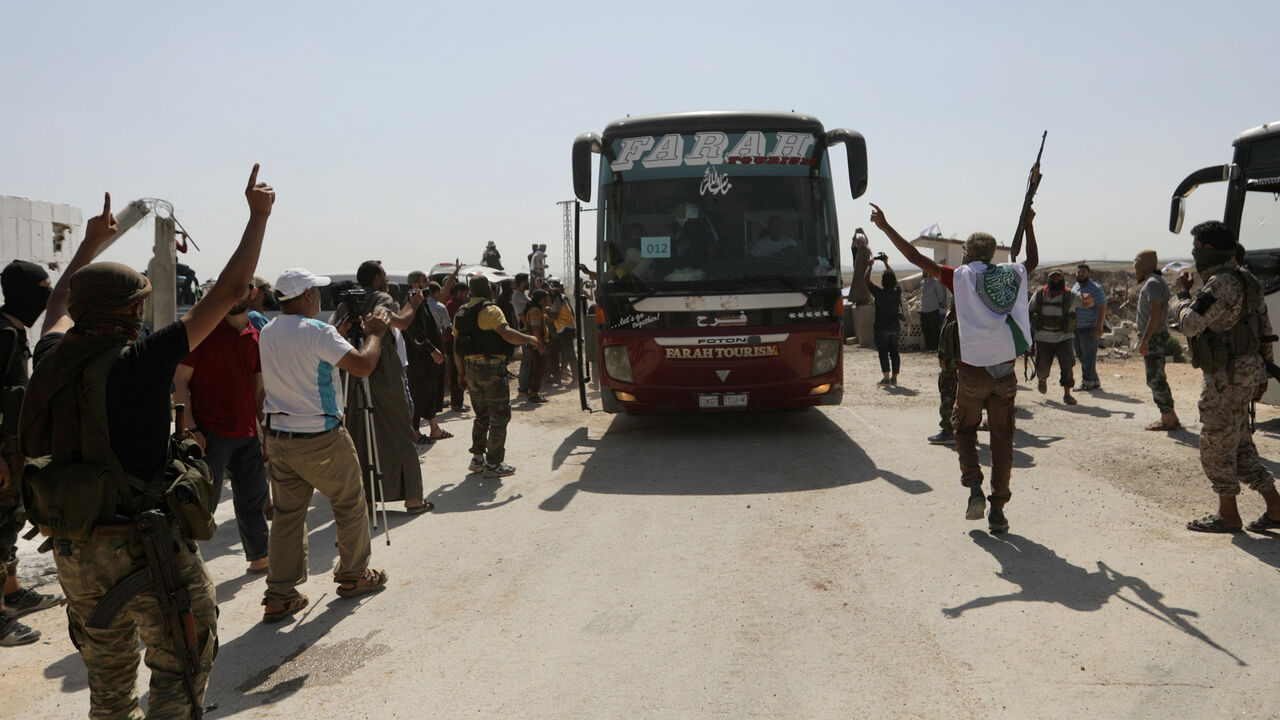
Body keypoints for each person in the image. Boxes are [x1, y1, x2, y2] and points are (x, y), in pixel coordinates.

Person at [21, 165, 273, 717]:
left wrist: (89, 244)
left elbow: (59, 304)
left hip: (73, 547)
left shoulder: (53, 356)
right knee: (183, 664)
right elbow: (231, 291)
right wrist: (258, 218)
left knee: (108, 682)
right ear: (133, 311)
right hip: (142, 545)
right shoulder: (141, 361)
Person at [869, 202, 1038, 535]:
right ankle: (998, 510)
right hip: (1005, 370)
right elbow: (1030, 262)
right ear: (991, 254)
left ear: (967, 253)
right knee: (1003, 440)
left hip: (971, 371)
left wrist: (886, 228)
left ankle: (974, 486)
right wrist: (1029, 225)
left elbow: (918, 260)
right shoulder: (1010, 273)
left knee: (963, 429)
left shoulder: (959, 278)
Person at [258, 267, 390, 622]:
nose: (319, 297)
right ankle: (354, 575)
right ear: (304, 296)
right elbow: (362, 366)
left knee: (287, 517)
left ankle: (280, 595)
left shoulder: (268, 332)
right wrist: (374, 334)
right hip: (321, 437)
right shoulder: (319, 332)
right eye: (314, 292)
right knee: (349, 502)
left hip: (280, 435)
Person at [1174, 221, 1280, 533]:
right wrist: (1263, 374)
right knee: (1240, 444)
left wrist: (1180, 297)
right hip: (1246, 374)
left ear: (1207, 248)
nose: (1193, 251)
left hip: (1225, 378)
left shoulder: (1220, 283)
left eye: (1196, 245)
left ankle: (1227, 515)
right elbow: (1265, 332)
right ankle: (1275, 508)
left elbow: (1191, 324)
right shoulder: (1249, 280)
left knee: (1216, 444)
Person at [172, 282, 271, 573]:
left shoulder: (255, 336)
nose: (237, 294)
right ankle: (180, 568)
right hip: (210, 435)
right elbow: (180, 383)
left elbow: (258, 391)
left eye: (243, 288)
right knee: (201, 506)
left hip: (247, 434)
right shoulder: (203, 334)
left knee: (253, 498)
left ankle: (260, 558)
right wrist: (191, 430)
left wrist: (262, 432)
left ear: (253, 292)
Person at [0, 260, 64, 646]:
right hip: (2, 455)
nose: (46, 295)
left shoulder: (14, 331)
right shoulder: (3, 334)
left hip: (14, 452)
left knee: (10, 521)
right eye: (43, 288)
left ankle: (12, 591)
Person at [339, 261, 430, 514]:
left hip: (354, 367)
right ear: (377, 279)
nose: (387, 277)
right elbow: (399, 322)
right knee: (401, 429)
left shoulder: (346, 302)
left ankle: (365, 499)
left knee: (359, 433)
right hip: (382, 370)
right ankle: (413, 498)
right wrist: (413, 304)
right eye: (384, 273)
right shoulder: (382, 297)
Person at [453, 275, 541, 477]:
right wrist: (529, 339)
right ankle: (493, 464)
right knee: (499, 416)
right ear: (488, 290)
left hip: (470, 369)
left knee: (481, 415)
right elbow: (507, 334)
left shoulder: (461, 312)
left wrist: (460, 373)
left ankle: (477, 460)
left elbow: (456, 347)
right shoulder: (491, 310)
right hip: (490, 369)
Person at [1135, 250, 1181, 431]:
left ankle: (1167, 419)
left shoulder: (1153, 283)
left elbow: (1156, 314)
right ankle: (1171, 417)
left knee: (1155, 379)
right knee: (1158, 377)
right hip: (1156, 335)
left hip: (1154, 337)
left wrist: (1145, 339)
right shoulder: (1156, 281)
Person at [404, 271, 450, 444]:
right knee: (418, 394)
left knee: (429, 392)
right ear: (415, 284)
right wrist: (430, 348)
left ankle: (434, 429)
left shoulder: (419, 301)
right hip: (419, 360)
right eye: (425, 281)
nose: (428, 283)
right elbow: (413, 329)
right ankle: (415, 432)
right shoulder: (410, 303)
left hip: (427, 361)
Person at [1029, 269, 1087, 405]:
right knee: (1042, 367)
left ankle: (1067, 394)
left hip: (1064, 338)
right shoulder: (1039, 294)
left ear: (1063, 279)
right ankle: (1042, 380)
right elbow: (1029, 311)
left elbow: (1087, 302)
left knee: (1067, 366)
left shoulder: (1071, 295)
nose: (1056, 279)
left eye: (1059, 277)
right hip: (1043, 338)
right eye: (1053, 277)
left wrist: (1088, 298)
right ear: (1048, 279)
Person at [865, 253, 902, 385]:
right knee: (895, 353)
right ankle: (895, 378)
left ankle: (886, 378)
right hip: (895, 327)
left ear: (882, 281)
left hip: (881, 328)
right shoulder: (897, 291)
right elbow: (896, 281)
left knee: (883, 353)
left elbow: (866, 281)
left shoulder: (879, 293)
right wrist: (886, 263)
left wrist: (870, 267)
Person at [1072, 263, 1108, 391]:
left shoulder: (1095, 288)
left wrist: (1099, 326)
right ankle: (1094, 380)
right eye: (1078, 272)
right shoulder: (1075, 287)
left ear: (1089, 274)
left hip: (1090, 327)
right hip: (1077, 328)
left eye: (1083, 272)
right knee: (1082, 355)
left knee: (1088, 356)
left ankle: (1086, 383)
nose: (1080, 274)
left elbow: (1102, 307)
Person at [929, 305, 959, 446]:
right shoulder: (970, 305)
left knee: (948, 393)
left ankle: (949, 431)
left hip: (952, 361)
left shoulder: (957, 309)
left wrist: (943, 356)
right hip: (961, 361)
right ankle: (963, 431)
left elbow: (947, 334)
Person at [521, 289, 552, 403]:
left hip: (535, 344)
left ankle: (532, 393)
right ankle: (534, 394)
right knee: (537, 369)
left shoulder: (537, 310)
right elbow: (535, 329)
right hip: (535, 345)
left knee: (535, 368)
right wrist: (540, 345)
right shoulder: (535, 311)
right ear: (542, 299)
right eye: (546, 297)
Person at [444, 279, 470, 411]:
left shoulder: (458, 304)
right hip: (453, 341)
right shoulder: (452, 305)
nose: (465, 296)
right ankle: (456, 403)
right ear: (458, 292)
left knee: (459, 371)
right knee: (457, 372)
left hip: (456, 341)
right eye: (464, 293)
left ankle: (458, 401)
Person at [919, 272, 949, 352]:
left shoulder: (935, 282)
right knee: (926, 330)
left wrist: (941, 303)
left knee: (934, 329)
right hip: (924, 310)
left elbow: (940, 294)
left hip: (933, 309)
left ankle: (936, 347)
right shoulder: (922, 283)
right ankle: (929, 347)